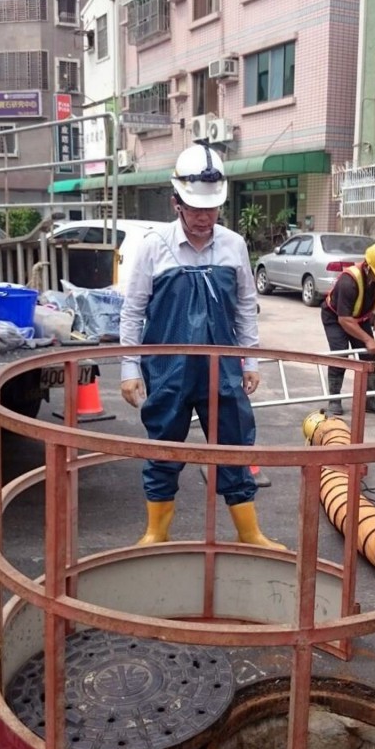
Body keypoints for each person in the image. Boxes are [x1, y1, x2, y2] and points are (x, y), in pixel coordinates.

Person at [119, 142, 284, 549]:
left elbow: (246, 307)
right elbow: (132, 310)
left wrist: (250, 361)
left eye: (210, 209)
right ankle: (157, 531)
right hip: (168, 369)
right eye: (194, 209)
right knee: (163, 445)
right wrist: (129, 367)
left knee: (233, 445)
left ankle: (249, 533)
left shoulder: (233, 246)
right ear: (176, 202)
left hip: (223, 369)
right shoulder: (153, 246)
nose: (203, 218)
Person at [320, 242, 375, 417]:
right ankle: (334, 401)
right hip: (335, 318)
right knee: (340, 354)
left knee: (369, 356)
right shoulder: (349, 281)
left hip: (360, 317)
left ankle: (369, 400)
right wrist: (368, 339)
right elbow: (344, 320)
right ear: (368, 266)